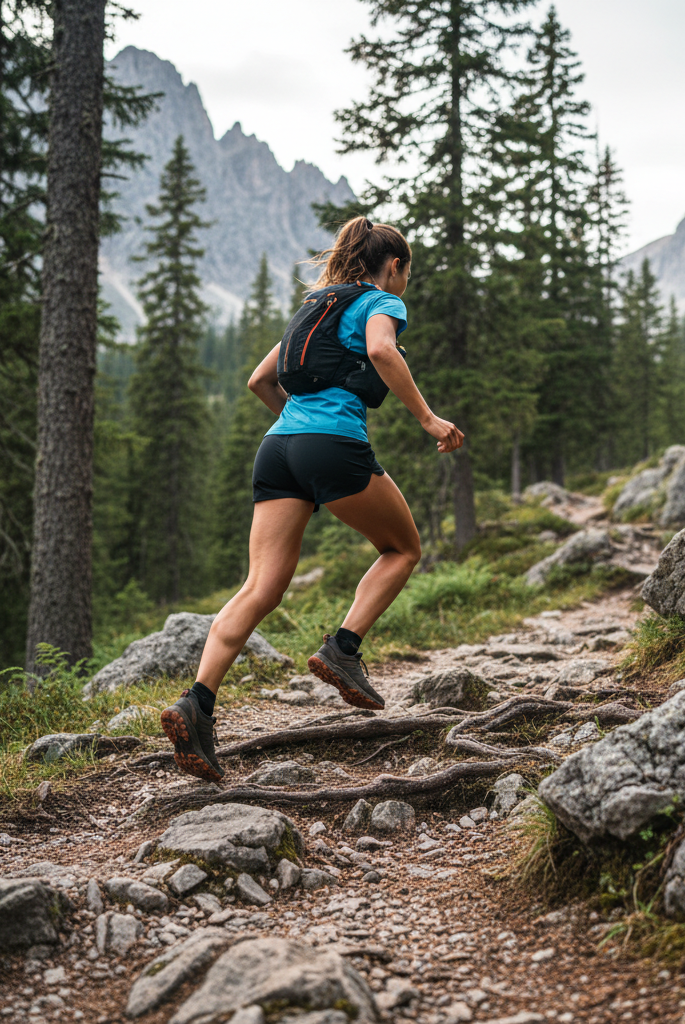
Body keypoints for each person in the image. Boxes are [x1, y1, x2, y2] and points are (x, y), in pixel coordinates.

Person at [160, 217, 464, 782]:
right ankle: (343, 648)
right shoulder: (380, 303)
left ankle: (197, 704)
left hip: (276, 449)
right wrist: (427, 418)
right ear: (393, 266)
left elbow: (259, 380)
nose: (404, 284)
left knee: (259, 587)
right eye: (405, 273)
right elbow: (380, 350)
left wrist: (301, 439)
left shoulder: (313, 308)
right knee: (402, 549)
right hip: (333, 445)